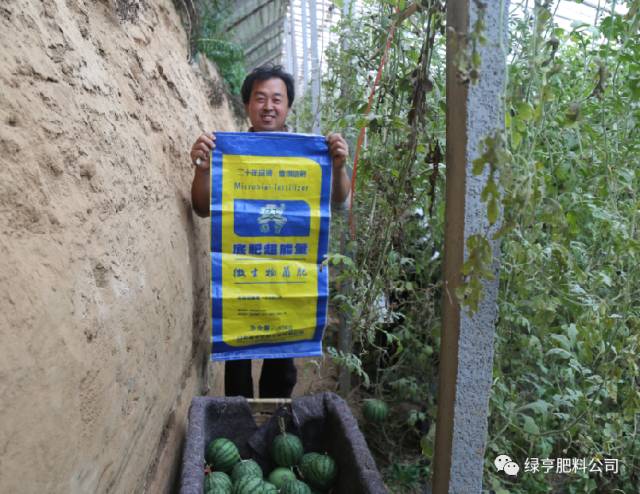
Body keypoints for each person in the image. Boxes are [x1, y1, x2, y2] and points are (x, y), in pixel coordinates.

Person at [189, 64, 351, 398]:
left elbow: (338, 200)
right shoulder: (227, 152)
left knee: (282, 368)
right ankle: (240, 420)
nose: (268, 107)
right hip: (241, 279)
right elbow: (202, 208)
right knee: (237, 368)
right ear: (247, 104)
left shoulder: (310, 154)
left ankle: (276, 420)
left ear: (288, 106)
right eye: (260, 98)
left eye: (277, 99)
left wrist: (338, 167)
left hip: (288, 278)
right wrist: (203, 169)